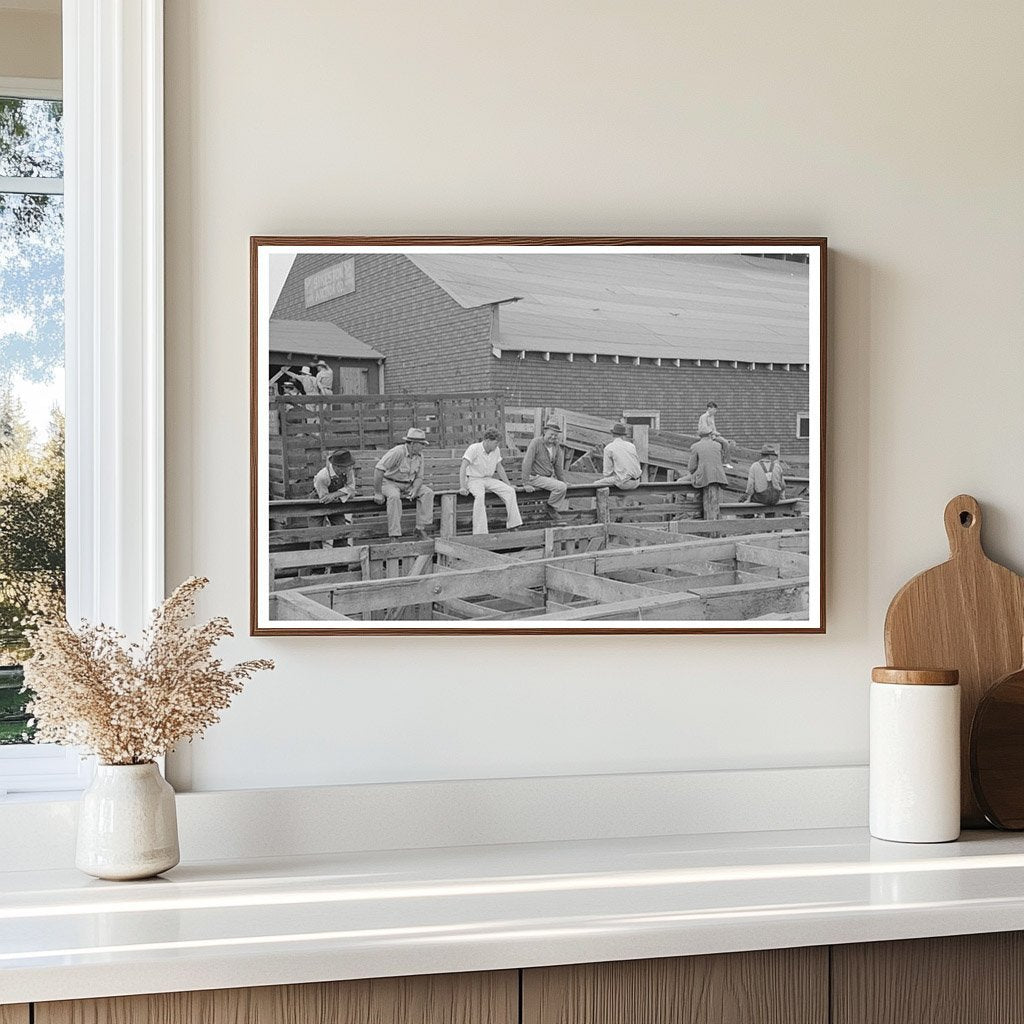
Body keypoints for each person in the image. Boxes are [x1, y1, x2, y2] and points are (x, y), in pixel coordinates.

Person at [373, 427, 435, 539]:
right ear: (411, 443)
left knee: (428, 493)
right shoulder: (397, 452)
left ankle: (420, 528)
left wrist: (415, 489)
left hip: (409, 484)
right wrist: (377, 492)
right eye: (421, 444)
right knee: (394, 497)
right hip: (390, 483)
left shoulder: (420, 456)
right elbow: (379, 469)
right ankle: (394, 535)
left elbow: (419, 477)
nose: (423, 447)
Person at [459, 429, 523, 534]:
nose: (497, 445)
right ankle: (480, 532)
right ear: (487, 440)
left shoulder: (496, 450)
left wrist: (509, 484)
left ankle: (513, 525)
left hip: (488, 479)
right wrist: (462, 486)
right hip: (474, 479)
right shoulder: (474, 448)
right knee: (480, 496)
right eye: (495, 442)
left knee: (510, 491)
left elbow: (500, 467)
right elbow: (463, 467)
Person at [521, 418, 568, 520]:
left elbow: (558, 467)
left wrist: (563, 481)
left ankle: (553, 514)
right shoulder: (536, 443)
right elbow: (527, 462)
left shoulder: (556, 446)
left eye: (556, 435)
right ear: (545, 432)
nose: (553, 437)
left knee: (565, 488)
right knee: (561, 488)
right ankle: (550, 508)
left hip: (547, 478)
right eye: (551, 434)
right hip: (535, 477)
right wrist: (526, 483)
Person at [312, 449, 356, 547]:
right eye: (346, 466)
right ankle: (316, 560)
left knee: (341, 530)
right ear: (337, 467)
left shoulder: (348, 471)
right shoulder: (322, 477)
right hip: (318, 500)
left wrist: (334, 495)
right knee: (315, 533)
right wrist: (341, 493)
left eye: (349, 465)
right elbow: (324, 498)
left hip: (336, 501)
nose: (349, 468)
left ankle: (341, 560)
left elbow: (351, 489)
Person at [688, 426, 729, 518]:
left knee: (689, 482)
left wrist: (694, 472)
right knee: (713, 495)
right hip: (718, 476)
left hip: (705, 476)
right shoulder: (718, 445)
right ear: (710, 435)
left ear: (700, 435)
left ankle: (695, 512)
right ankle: (712, 515)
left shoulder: (695, 446)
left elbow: (692, 467)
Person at [595, 423, 642, 490]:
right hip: (637, 482)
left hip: (624, 483)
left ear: (612, 434)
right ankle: (621, 499)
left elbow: (607, 472)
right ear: (624, 435)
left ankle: (601, 500)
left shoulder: (609, 448)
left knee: (595, 484)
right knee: (619, 478)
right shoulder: (631, 446)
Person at [697, 401, 734, 468]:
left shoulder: (712, 417)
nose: (715, 411)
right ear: (709, 409)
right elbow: (704, 429)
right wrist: (714, 433)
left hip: (713, 435)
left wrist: (716, 433)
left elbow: (713, 427)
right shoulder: (703, 417)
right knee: (725, 443)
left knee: (728, 442)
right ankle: (726, 462)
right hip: (707, 436)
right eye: (714, 409)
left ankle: (724, 460)